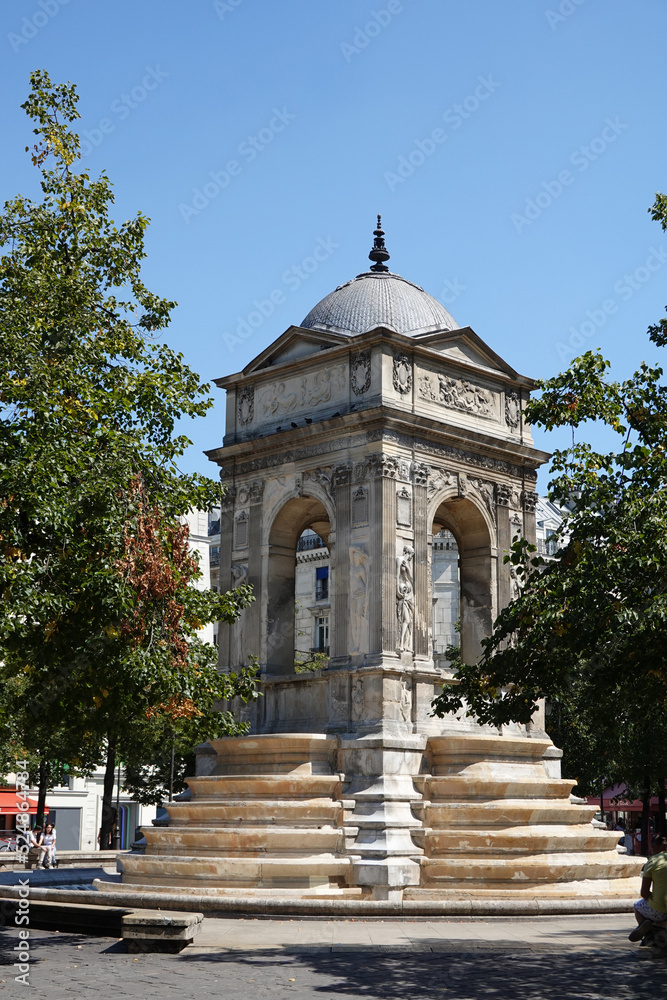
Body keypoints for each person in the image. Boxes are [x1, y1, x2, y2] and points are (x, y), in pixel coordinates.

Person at [629, 832, 667, 941]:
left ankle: (643, 926)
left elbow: (644, 893)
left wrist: (655, 898)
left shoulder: (653, 860)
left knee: (637, 906)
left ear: (655, 846)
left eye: (652, 848)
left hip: (660, 911)